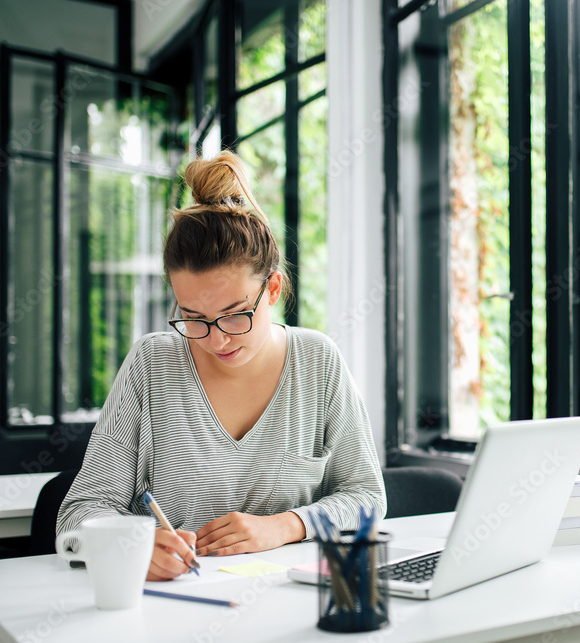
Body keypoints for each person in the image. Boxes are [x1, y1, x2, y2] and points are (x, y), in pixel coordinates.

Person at [57, 151, 386, 581]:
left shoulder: (317, 361)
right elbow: (77, 515)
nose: (217, 339)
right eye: (193, 317)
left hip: (291, 612)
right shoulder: (152, 362)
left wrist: (285, 526)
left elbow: (366, 498)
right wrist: (129, 544)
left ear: (272, 288)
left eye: (234, 314)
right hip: (173, 612)